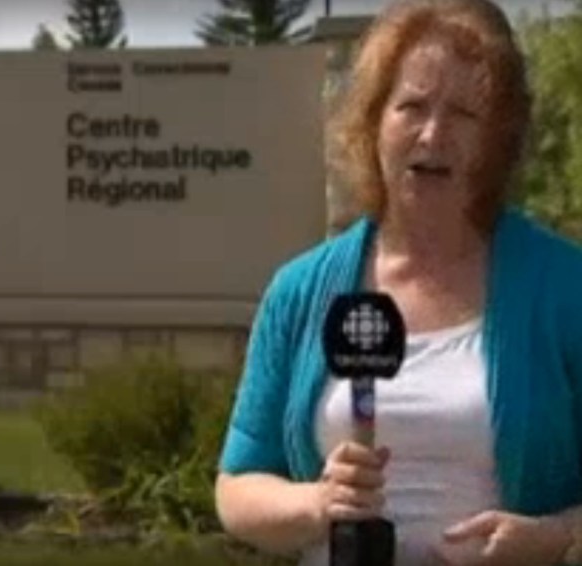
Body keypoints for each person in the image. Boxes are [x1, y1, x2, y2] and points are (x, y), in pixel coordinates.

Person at [214, 0, 582, 564]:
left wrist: (555, 537)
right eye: (411, 106)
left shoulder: (564, 287)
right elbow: (237, 488)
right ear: (373, 122)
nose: (433, 133)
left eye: (464, 113)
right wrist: (319, 502)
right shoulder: (300, 291)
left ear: (497, 138)